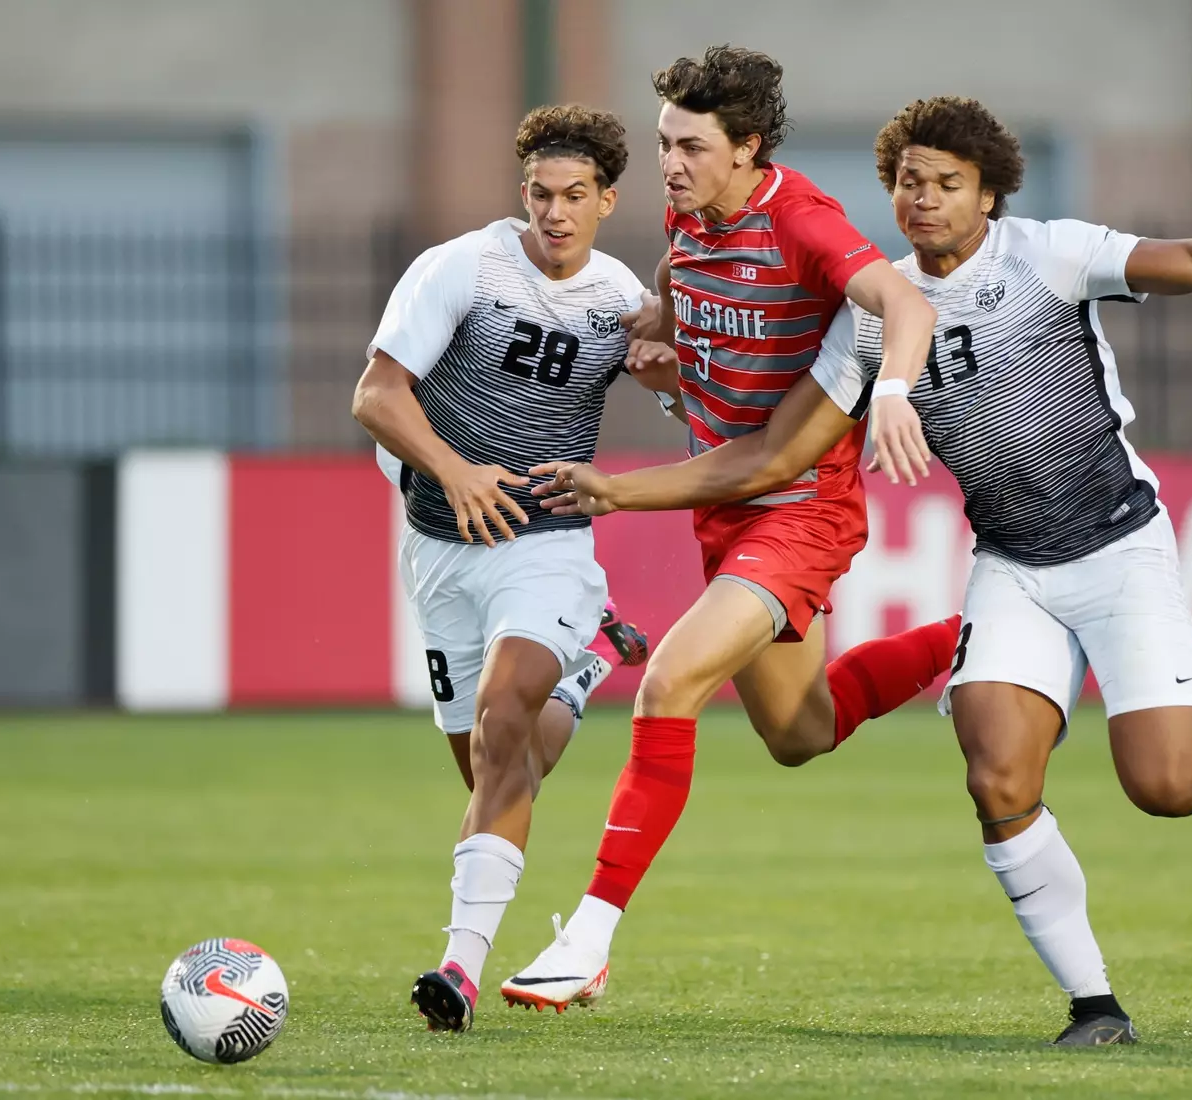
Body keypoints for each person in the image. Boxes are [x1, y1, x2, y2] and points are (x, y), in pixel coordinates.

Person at [528, 96, 1192, 1044]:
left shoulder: (1048, 254)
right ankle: (1096, 1005)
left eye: (948, 184)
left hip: (1118, 546)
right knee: (996, 781)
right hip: (1012, 566)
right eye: (909, 182)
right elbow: (777, 452)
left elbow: (1190, 259)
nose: (925, 200)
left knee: (1166, 788)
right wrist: (659, 402)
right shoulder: (867, 320)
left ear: (990, 195)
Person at [498, 47, 960, 1013]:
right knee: (801, 731)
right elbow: (681, 276)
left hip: (798, 513)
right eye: (665, 141)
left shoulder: (803, 222)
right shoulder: (689, 209)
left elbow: (901, 304)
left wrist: (898, 393)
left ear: (748, 148)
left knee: (667, 683)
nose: (669, 163)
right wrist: (664, 330)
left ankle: (586, 940)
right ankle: (981, 640)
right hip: (731, 511)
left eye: (693, 146)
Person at [351, 104, 662, 1033]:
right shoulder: (462, 268)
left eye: (576, 196)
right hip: (440, 545)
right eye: (540, 193)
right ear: (520, 192)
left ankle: (459, 967)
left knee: (501, 724)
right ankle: (593, 662)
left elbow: (690, 383)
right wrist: (455, 469)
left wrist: (668, 365)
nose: (555, 213)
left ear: (607, 199)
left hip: (548, 545)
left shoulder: (618, 298)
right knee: (502, 764)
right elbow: (376, 394)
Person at [375, 446, 650, 792]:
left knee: (501, 771)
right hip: (431, 538)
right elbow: (373, 401)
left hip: (524, 522)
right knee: (488, 777)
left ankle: (578, 667)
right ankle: (576, 681)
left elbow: (666, 391)